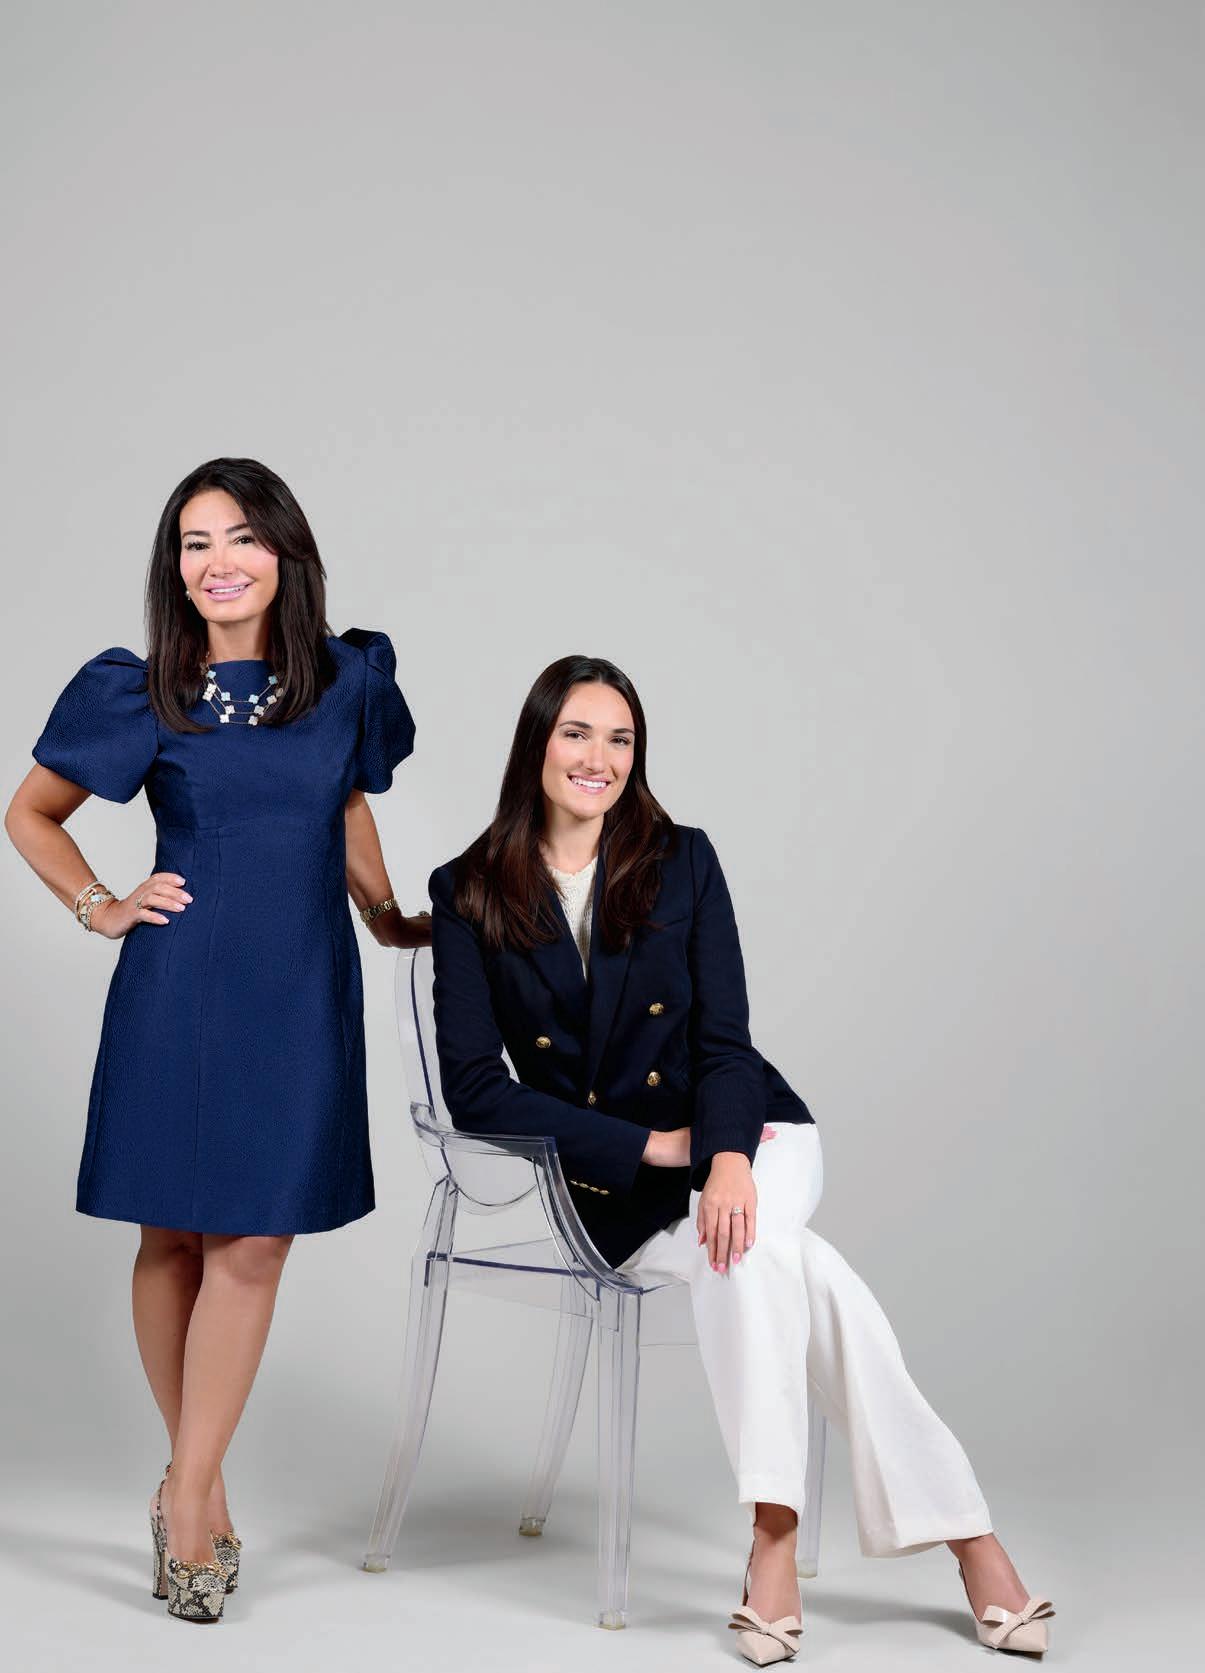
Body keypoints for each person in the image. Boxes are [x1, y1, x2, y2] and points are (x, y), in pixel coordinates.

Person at [426, 654, 1055, 1662]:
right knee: (774, 1260)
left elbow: (724, 1040)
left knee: (744, 1236)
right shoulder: (466, 889)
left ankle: (772, 1538)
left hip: (753, 1132)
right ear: (535, 742)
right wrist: (649, 1146)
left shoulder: (681, 859)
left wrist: (723, 1159)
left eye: (620, 738)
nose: (598, 758)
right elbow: (474, 1087)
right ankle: (967, 1536)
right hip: (616, 1180)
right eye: (576, 732)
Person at [5, 457, 430, 1624]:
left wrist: (385, 912)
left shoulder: (346, 681)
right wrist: (100, 903)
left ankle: (183, 1488)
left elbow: (347, 805)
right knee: (174, 1236)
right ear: (175, 567)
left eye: (240, 536)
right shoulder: (142, 689)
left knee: (255, 1241)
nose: (217, 561)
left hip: (297, 988)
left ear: (284, 550)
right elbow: (29, 812)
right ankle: (199, 1491)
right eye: (194, 543)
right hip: (181, 986)